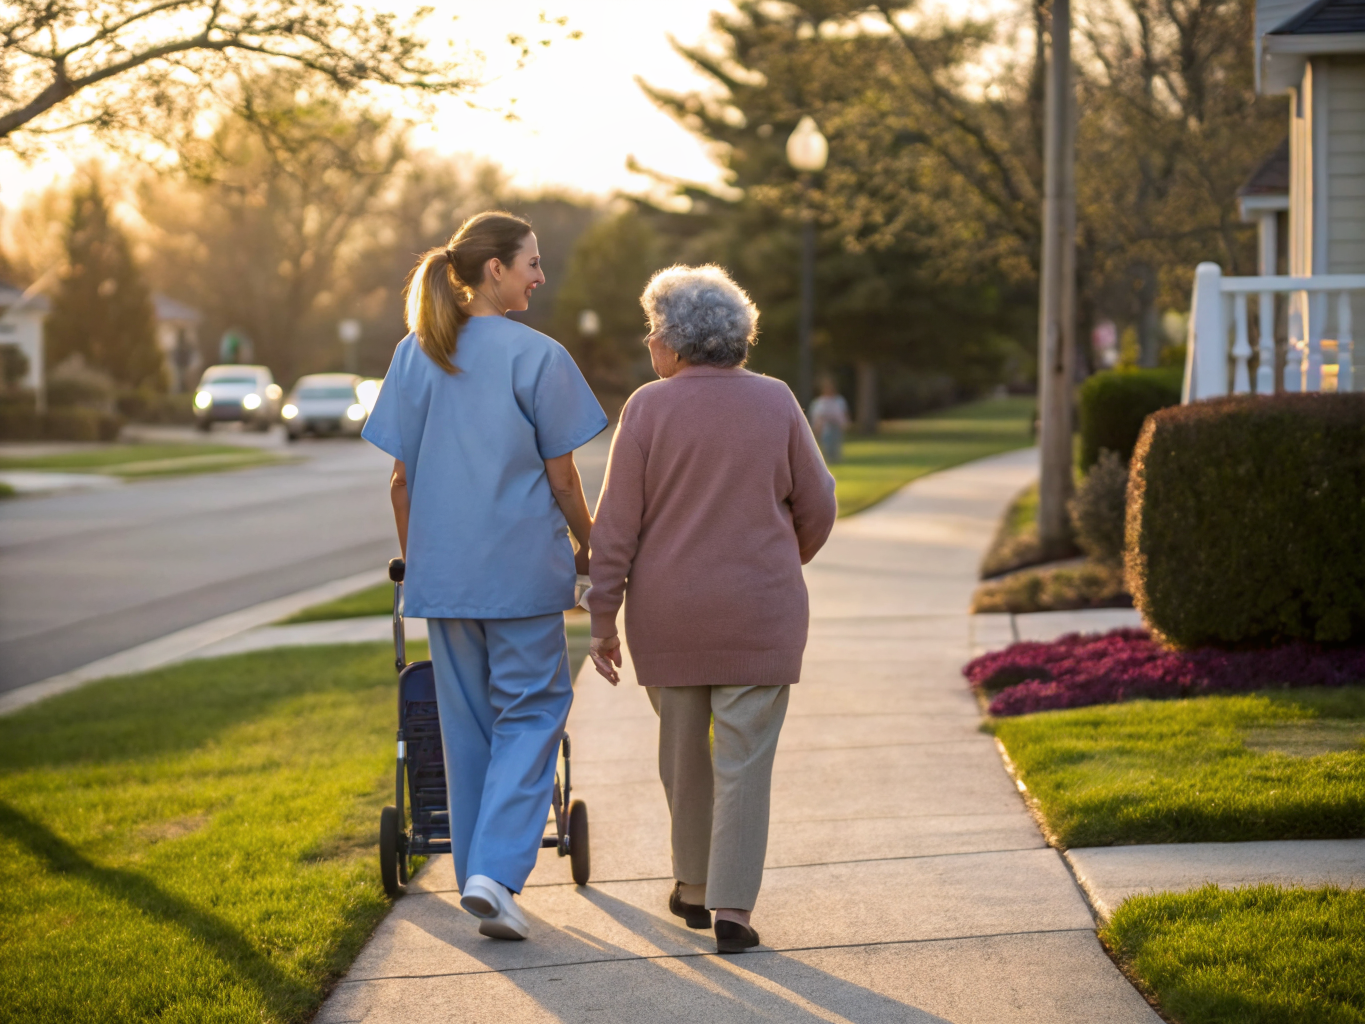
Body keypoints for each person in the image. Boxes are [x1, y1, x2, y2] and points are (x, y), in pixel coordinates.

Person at [362, 211, 606, 941]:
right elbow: (562, 479)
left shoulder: (415, 354)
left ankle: (480, 879)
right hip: (520, 571)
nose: (539, 275)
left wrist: (425, 558)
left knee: (464, 727)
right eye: (531, 261)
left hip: (445, 579)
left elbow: (400, 482)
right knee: (532, 713)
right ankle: (494, 877)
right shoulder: (538, 355)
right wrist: (589, 544)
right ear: (492, 269)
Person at [585, 264, 838, 954]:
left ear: (671, 339)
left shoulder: (646, 408)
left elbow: (615, 529)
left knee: (682, 758)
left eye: (650, 331)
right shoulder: (778, 400)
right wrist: (784, 559)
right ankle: (730, 908)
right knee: (743, 764)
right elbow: (819, 505)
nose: (647, 346)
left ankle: (692, 886)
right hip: (760, 611)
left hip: (669, 617)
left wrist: (602, 616)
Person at [808, 376, 850, 464]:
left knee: (835, 445)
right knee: (826, 445)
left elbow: (844, 414)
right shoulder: (819, 402)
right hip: (825, 427)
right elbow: (816, 416)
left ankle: (835, 460)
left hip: (836, 426)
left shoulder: (839, 400)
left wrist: (845, 424)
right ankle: (828, 461)